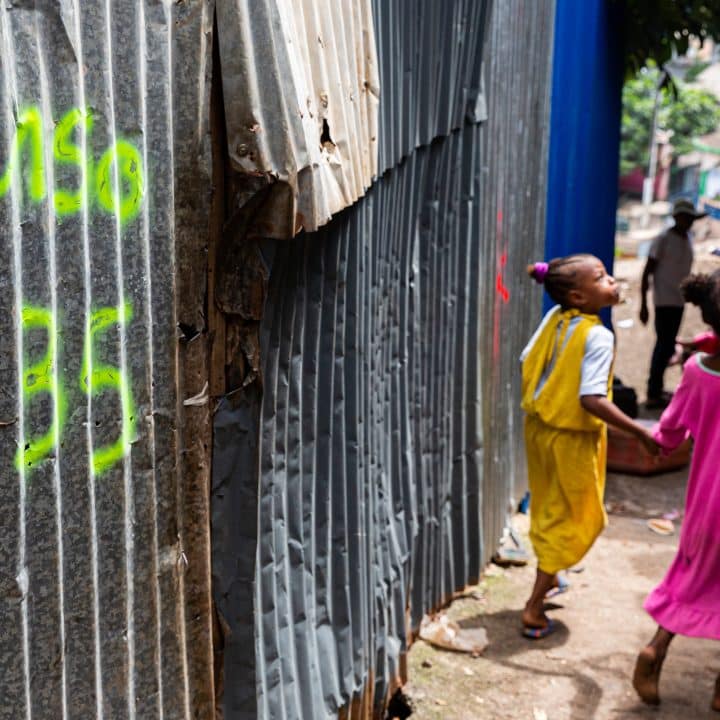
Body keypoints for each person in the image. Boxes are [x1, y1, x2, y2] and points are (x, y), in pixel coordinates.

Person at [520, 254, 658, 639]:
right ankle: (533, 606)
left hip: (539, 429)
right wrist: (640, 433)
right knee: (579, 517)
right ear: (579, 296)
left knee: (551, 506)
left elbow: (526, 360)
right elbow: (591, 399)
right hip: (572, 439)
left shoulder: (554, 319)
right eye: (602, 278)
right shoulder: (598, 335)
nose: (612, 281)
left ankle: (551, 576)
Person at [632, 270, 720, 712]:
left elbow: (669, 433)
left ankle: (656, 649)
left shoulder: (697, 371)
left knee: (691, 578)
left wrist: (654, 447)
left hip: (707, 506)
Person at [639, 198, 707, 409]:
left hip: (679, 301)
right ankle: (652, 392)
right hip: (663, 301)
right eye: (685, 217)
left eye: (691, 219)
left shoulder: (688, 238)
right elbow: (647, 271)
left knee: (668, 346)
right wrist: (643, 304)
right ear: (677, 217)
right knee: (663, 345)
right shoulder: (663, 239)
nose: (688, 222)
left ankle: (658, 389)